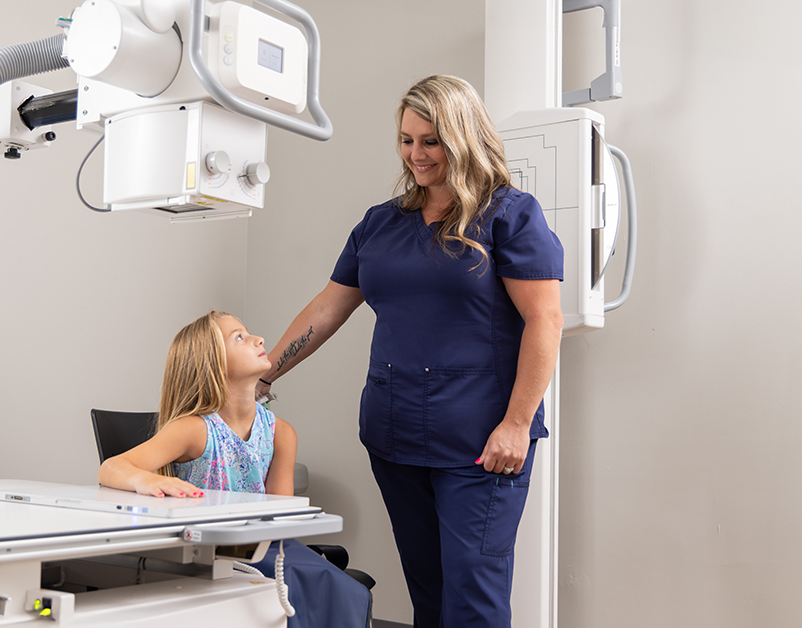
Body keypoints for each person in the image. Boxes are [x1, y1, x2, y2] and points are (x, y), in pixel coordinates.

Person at [256, 75, 565, 628]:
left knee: (474, 598)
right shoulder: (381, 223)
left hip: (482, 441)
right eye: (407, 140)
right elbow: (328, 307)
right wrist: (262, 376)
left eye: (431, 141)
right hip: (395, 434)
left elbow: (545, 320)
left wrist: (518, 423)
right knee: (429, 592)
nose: (416, 155)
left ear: (463, 138)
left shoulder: (508, 215)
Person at [98, 310, 371, 628]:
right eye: (239, 337)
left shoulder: (280, 432)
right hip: (209, 554)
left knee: (336, 587)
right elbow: (112, 467)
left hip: (263, 549)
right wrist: (145, 480)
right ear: (212, 363)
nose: (259, 340)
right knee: (321, 584)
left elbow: (280, 521)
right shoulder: (193, 430)